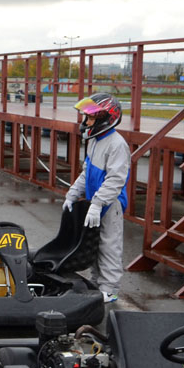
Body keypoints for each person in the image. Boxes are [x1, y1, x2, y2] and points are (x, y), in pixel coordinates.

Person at [62, 92, 129, 303]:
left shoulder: (117, 144)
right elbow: (87, 172)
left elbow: (115, 179)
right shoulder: (94, 141)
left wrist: (99, 203)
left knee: (109, 246)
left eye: (91, 118)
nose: (87, 122)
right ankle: (96, 282)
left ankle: (109, 289)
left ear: (105, 118)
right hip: (94, 201)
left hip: (110, 203)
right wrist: (72, 194)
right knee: (93, 243)